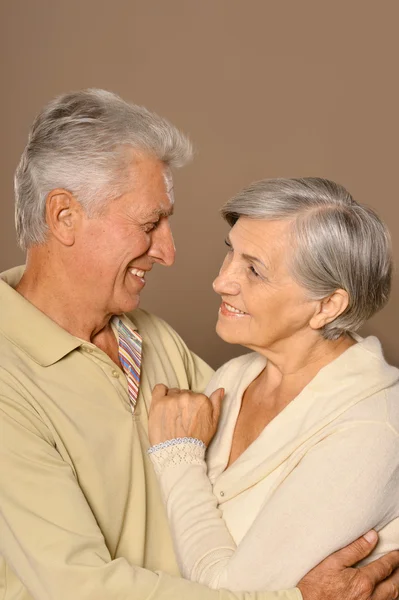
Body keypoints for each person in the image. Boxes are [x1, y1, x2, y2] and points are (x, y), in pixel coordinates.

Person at [0, 90, 398, 600]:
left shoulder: (152, 337)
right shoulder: (9, 379)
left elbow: (268, 471)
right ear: (64, 216)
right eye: (149, 224)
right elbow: (77, 585)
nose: (168, 251)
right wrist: (301, 599)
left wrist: (379, 550)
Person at [148, 177, 399, 591]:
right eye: (230, 254)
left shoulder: (372, 429)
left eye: (254, 270)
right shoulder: (234, 377)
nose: (222, 282)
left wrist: (177, 456)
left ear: (327, 305)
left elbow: (229, 592)